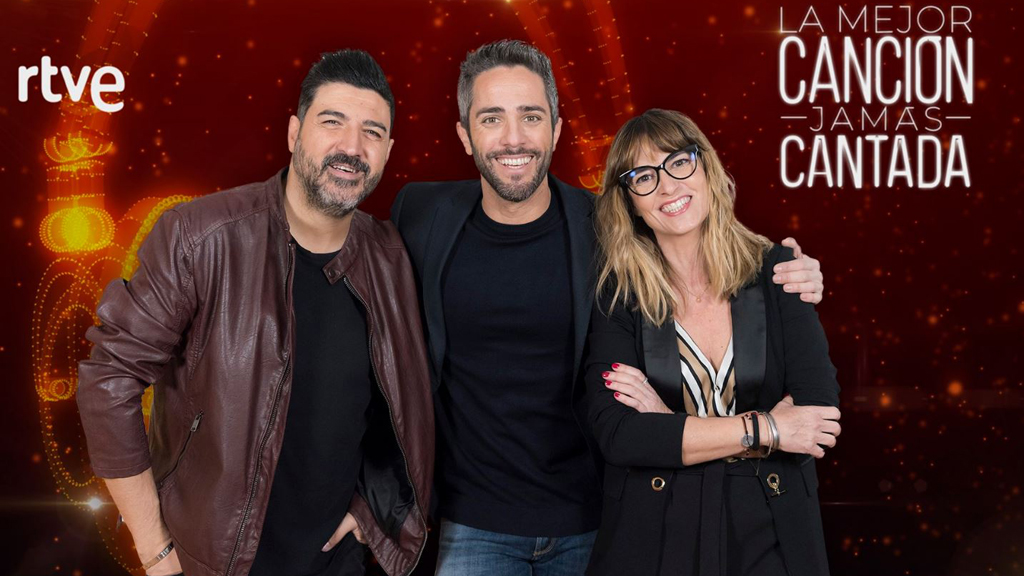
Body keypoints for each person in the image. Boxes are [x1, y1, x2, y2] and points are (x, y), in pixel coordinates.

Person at [390, 40, 826, 576]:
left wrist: (786, 271)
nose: (513, 137)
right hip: (474, 521)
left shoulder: (606, 227)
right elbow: (366, 309)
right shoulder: (420, 213)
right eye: (491, 118)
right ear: (464, 134)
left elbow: (693, 235)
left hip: (600, 514)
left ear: (556, 129)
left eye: (531, 116)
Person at [76, 49, 433, 576]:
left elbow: (399, 408)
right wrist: (155, 552)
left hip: (339, 564)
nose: (352, 147)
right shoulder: (201, 237)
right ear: (294, 132)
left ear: (387, 151)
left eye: (372, 132)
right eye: (332, 122)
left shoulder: (390, 257)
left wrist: (370, 513)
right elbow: (108, 380)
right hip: (210, 561)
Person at [583, 108, 842, 576]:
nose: (667, 186)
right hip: (656, 535)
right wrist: (767, 429)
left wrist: (670, 427)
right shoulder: (618, 295)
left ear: (706, 167)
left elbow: (816, 421)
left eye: (679, 162)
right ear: (630, 202)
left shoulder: (778, 270)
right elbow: (619, 435)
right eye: (644, 176)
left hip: (773, 532)